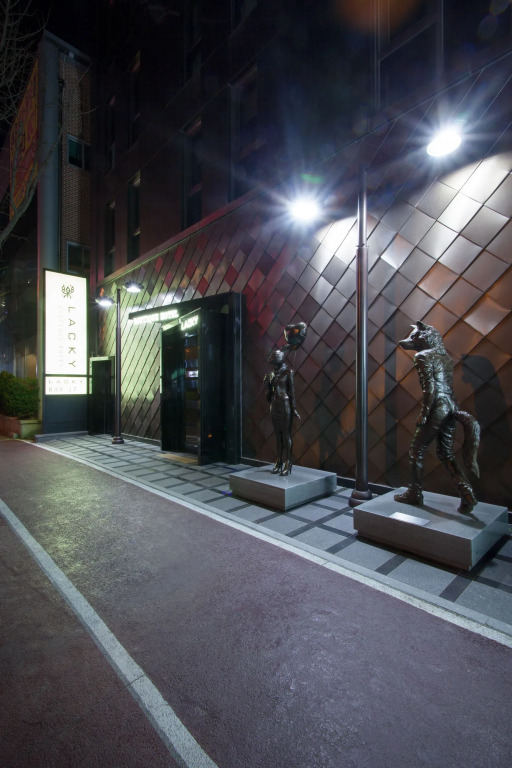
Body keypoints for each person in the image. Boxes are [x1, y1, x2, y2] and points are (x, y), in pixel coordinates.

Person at [264, 348, 300, 476]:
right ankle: (279, 462)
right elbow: (268, 398)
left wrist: (294, 408)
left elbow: (292, 392)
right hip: (275, 406)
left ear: (281, 357)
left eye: (276, 355)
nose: (274, 357)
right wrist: (268, 385)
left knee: (286, 435)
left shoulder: (288, 372)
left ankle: (288, 463)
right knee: (277, 436)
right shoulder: (271, 374)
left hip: (285, 405)